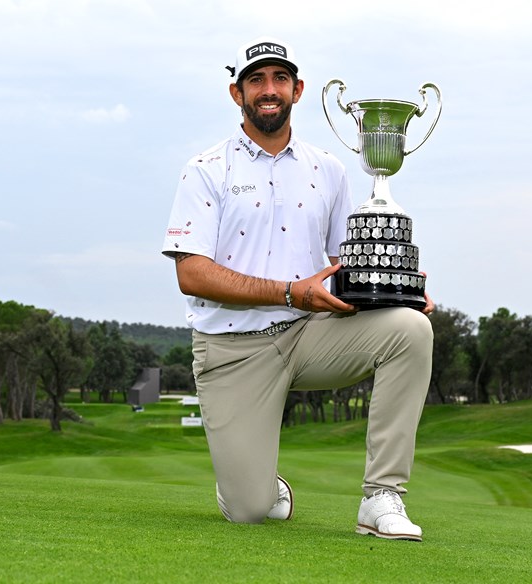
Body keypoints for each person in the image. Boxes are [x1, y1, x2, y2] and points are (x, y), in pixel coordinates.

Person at [161, 36, 434, 541]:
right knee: (249, 509)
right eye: (256, 80)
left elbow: (340, 266)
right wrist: (289, 292)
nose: (269, 90)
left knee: (410, 330)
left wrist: (397, 290)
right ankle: (257, 482)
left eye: (279, 79)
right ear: (236, 93)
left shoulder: (328, 170)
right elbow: (191, 274)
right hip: (230, 350)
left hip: (310, 336)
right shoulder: (205, 169)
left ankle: (382, 497)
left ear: (297, 89)